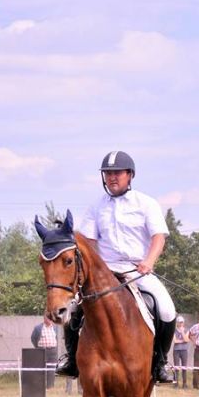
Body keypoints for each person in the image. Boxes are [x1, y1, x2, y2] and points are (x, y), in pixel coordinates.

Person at [57, 150, 176, 384]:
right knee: (73, 308)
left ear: (130, 175)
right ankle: (71, 360)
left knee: (166, 309)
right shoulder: (96, 207)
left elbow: (158, 237)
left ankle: (160, 363)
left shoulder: (146, 203)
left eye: (117, 173)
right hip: (105, 272)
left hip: (137, 271)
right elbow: (88, 242)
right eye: (107, 173)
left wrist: (149, 262)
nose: (112, 177)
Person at [172, 316, 189, 388]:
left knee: (184, 367)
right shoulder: (174, 330)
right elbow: (175, 341)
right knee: (176, 367)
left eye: (182, 322)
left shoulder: (187, 330)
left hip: (184, 350)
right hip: (176, 350)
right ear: (177, 323)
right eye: (179, 322)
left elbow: (187, 340)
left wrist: (182, 332)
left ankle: (184, 384)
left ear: (183, 322)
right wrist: (183, 341)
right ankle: (176, 383)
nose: (181, 323)